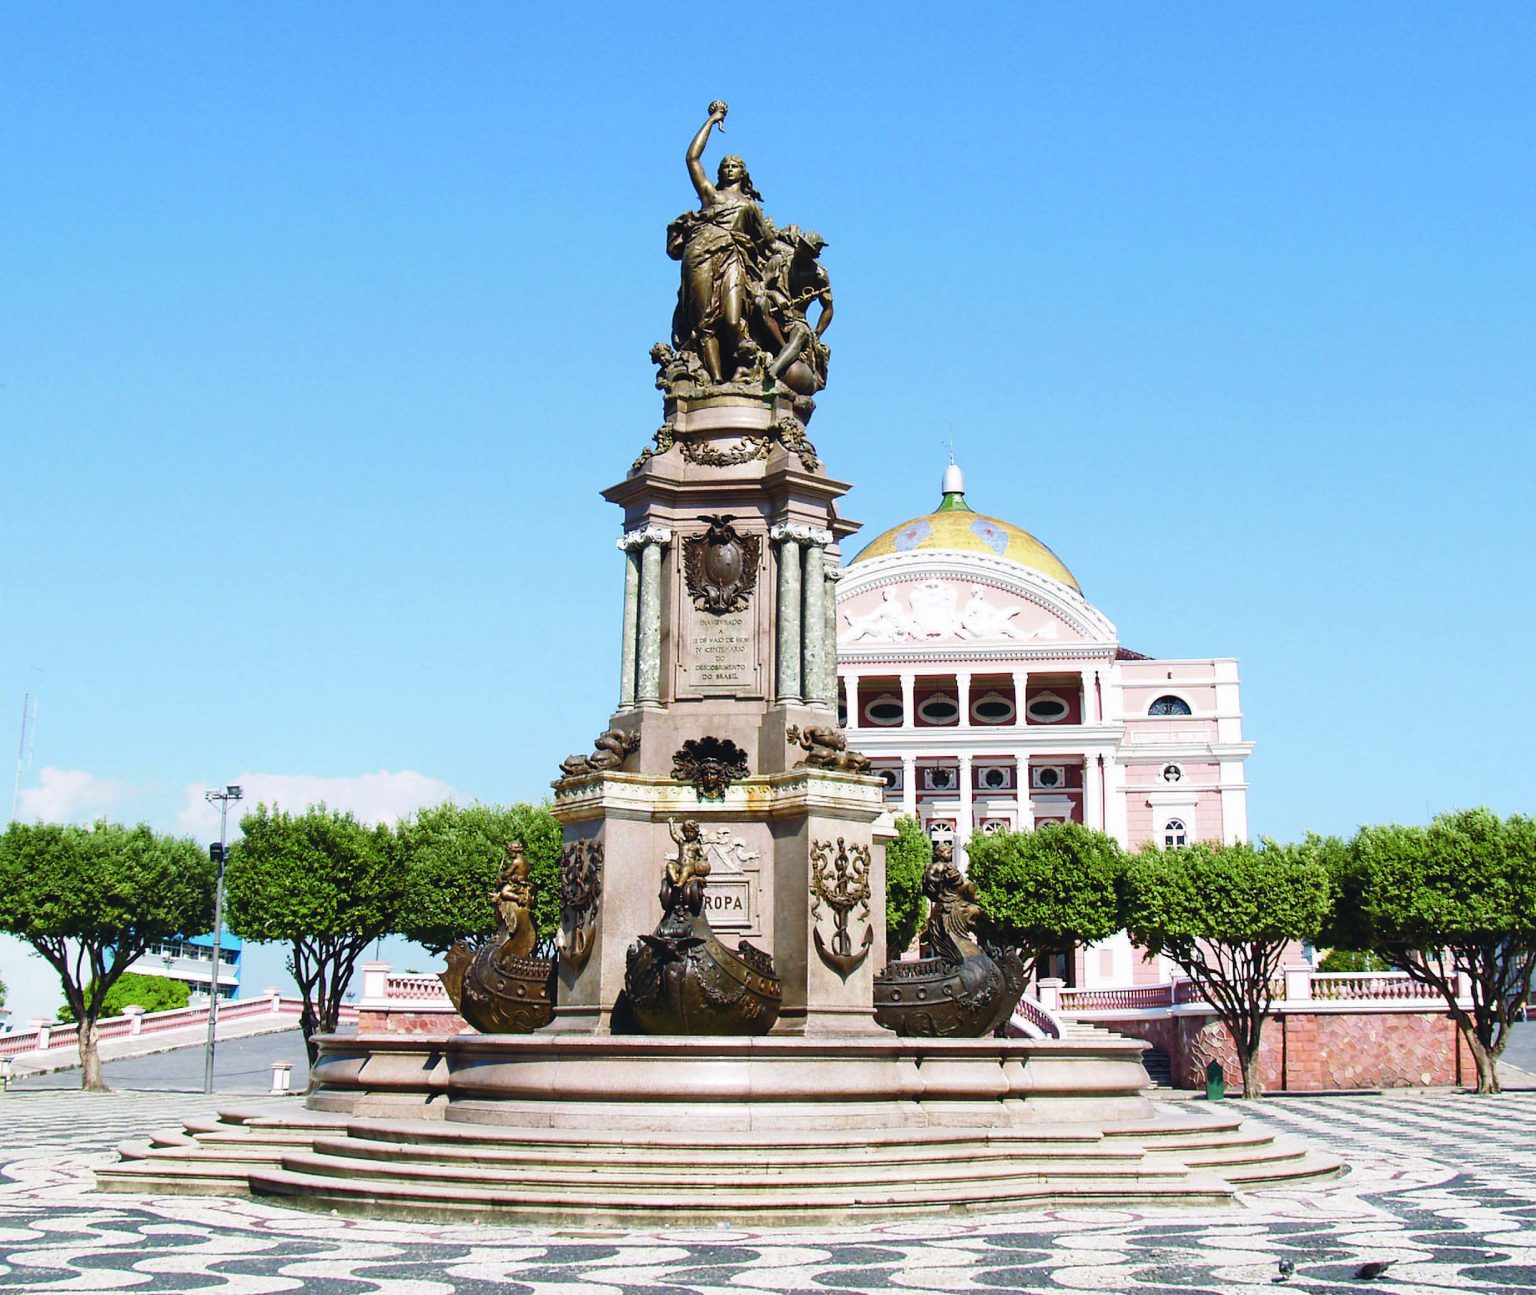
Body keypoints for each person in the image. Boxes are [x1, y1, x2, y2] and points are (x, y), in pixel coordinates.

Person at [669, 101, 776, 383]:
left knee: (731, 319)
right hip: (700, 254)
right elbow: (692, 159)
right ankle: (714, 382)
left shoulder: (749, 207)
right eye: (725, 165)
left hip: (732, 257)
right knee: (703, 322)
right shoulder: (709, 196)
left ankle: (745, 372)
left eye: (735, 165)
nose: (729, 169)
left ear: (744, 173)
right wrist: (712, 121)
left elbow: (769, 243)